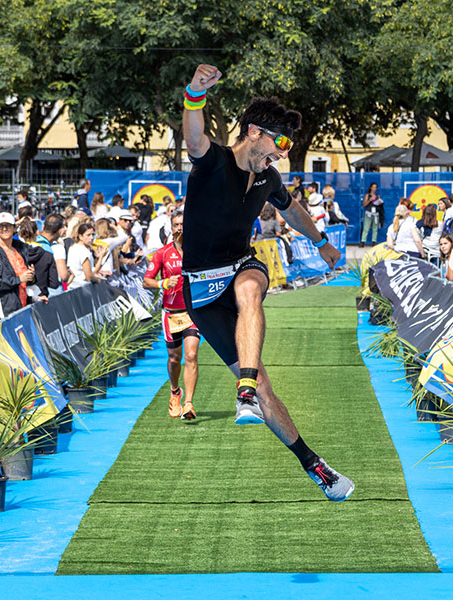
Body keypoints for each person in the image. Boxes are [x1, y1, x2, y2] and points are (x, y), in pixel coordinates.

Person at [182, 64, 352, 500]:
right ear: (253, 132)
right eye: (278, 144)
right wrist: (195, 92)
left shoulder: (269, 177)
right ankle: (314, 465)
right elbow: (194, 136)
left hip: (241, 264)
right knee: (268, 392)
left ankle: (244, 392)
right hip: (200, 290)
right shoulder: (212, 161)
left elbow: (292, 209)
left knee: (251, 287)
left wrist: (322, 242)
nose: (280, 155)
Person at [143, 211, 199, 420]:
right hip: (171, 314)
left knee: (192, 355)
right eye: (176, 225)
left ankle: (189, 404)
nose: (180, 228)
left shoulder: (198, 250)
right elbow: (146, 281)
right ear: (171, 227)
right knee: (175, 359)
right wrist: (163, 283)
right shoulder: (162, 253)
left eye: (183, 224)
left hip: (192, 312)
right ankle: (175, 391)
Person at [0, 212, 40, 321]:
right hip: (1, 313)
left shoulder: (21, 249)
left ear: (14, 228)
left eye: (7, 225)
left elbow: (25, 281)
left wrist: (31, 276)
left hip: (21, 308)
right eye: (0, 226)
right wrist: (19, 279)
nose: (4, 229)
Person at [67, 222, 105, 289]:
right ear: (80, 236)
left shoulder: (72, 247)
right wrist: (97, 280)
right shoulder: (84, 252)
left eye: (93, 235)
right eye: (88, 235)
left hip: (72, 285)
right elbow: (88, 276)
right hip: (81, 287)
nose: (91, 237)